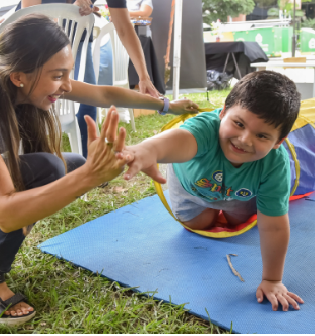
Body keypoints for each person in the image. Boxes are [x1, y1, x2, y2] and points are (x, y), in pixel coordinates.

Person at [0, 14, 198, 325]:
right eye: (58, 75)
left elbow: (103, 94)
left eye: (68, 74)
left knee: (70, 165)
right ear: (20, 75)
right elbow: (7, 212)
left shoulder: (9, 70)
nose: (65, 85)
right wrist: (91, 176)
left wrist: (167, 106)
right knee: (51, 169)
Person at [121, 71, 305, 312]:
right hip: (191, 190)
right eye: (238, 124)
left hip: (238, 195)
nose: (244, 140)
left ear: (279, 141)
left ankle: (226, 208)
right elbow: (177, 140)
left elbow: (274, 225)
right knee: (201, 223)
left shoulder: (276, 164)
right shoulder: (205, 130)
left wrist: (272, 279)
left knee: (239, 221)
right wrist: (147, 151)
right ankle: (208, 209)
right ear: (224, 112)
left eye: (262, 135)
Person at [20, 0, 160, 157]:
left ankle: (90, 159)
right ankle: (33, 157)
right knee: (31, 100)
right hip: (35, 39)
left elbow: (123, 27)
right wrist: (68, 13)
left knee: (88, 96)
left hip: (77, 40)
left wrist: (144, 76)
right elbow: (29, 15)